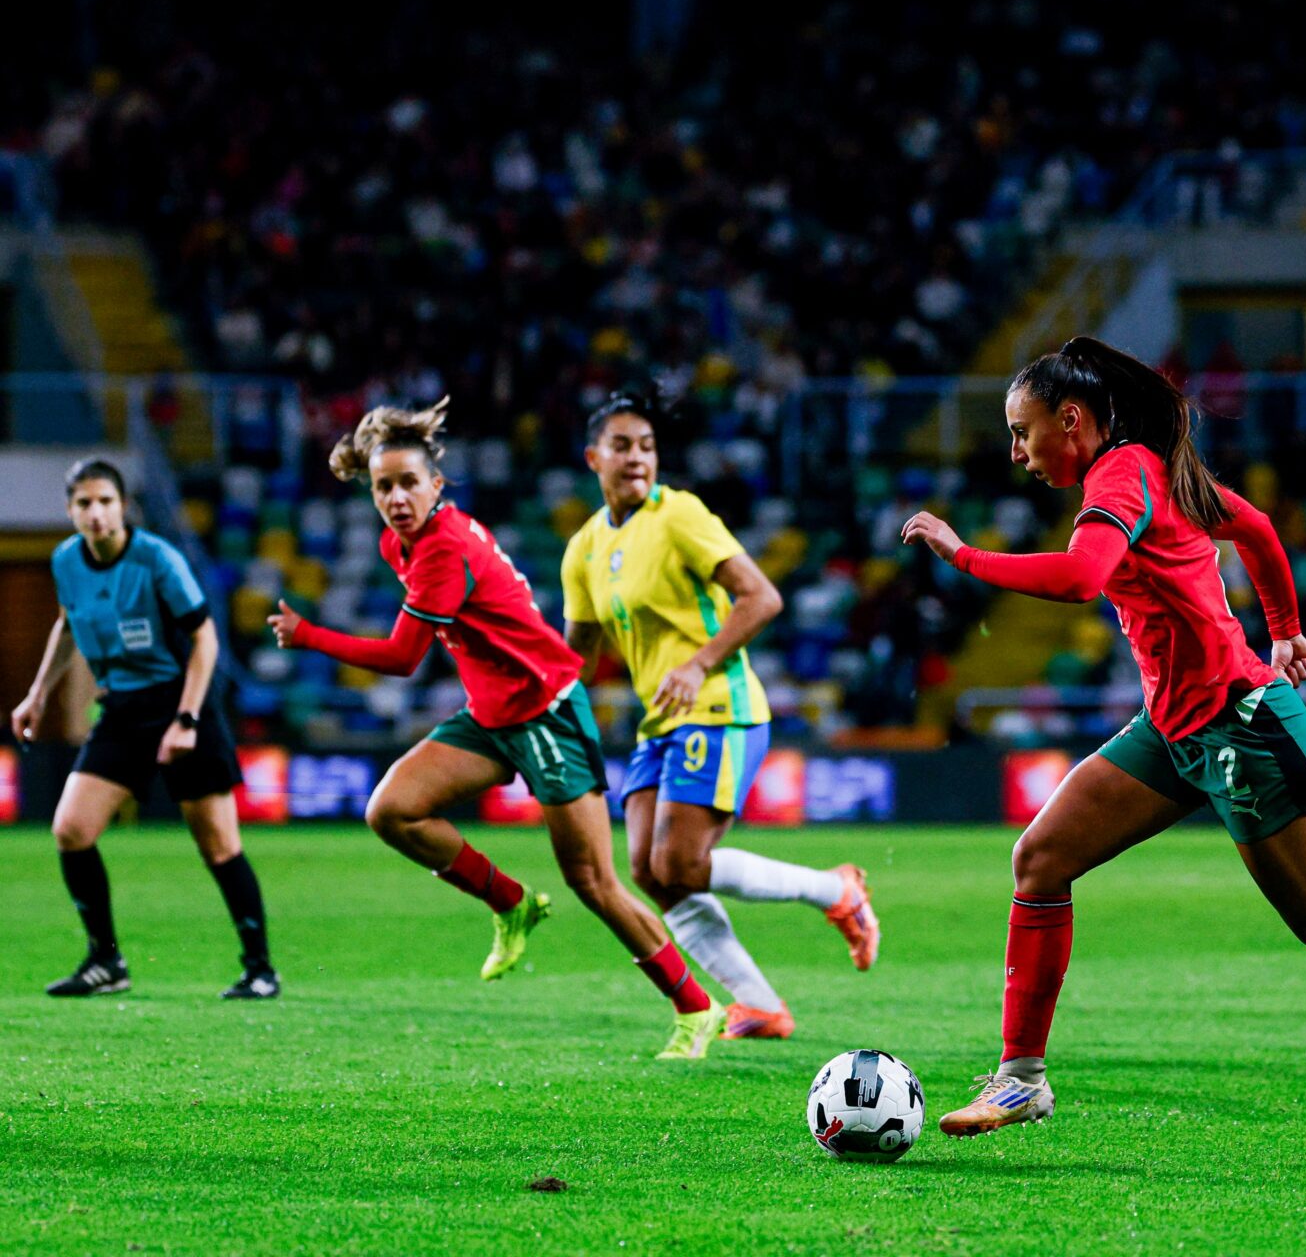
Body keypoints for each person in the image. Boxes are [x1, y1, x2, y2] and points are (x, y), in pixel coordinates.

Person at [901, 337, 1306, 1137]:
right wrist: (1282, 628)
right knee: (1040, 857)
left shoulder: (1123, 474)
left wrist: (963, 554)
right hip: (1175, 729)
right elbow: (1259, 529)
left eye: (1023, 432)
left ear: (1071, 419)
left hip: (1243, 726)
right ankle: (1021, 1078)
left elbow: (1079, 578)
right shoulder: (1151, 470)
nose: (1016, 451)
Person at [267, 400, 726, 1058]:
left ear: (437, 485)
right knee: (392, 810)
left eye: (407, 483)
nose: (396, 497)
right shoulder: (401, 541)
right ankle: (510, 902)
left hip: (546, 712)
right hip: (492, 713)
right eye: (382, 486)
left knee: (594, 882)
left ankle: (695, 1008)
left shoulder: (441, 547)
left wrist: (308, 635)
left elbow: (402, 658)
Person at [562, 389, 880, 1042]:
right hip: (659, 721)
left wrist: (698, 662)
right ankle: (760, 1005)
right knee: (650, 872)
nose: (637, 458)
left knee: (679, 862)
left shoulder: (679, 514)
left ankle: (835, 890)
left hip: (718, 707)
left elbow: (762, 598)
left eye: (647, 446)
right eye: (621, 446)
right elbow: (576, 654)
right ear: (593, 457)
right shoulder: (585, 549)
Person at [11, 459, 277, 999]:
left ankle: (260, 970)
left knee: (220, 846)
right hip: (124, 711)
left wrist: (186, 720)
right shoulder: (66, 561)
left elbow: (205, 639)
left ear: (123, 507)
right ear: (70, 511)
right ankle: (105, 961)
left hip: (182, 700)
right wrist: (38, 695)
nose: (96, 513)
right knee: (71, 830)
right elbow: (67, 624)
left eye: (105, 501)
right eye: (84, 503)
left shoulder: (157, 558)